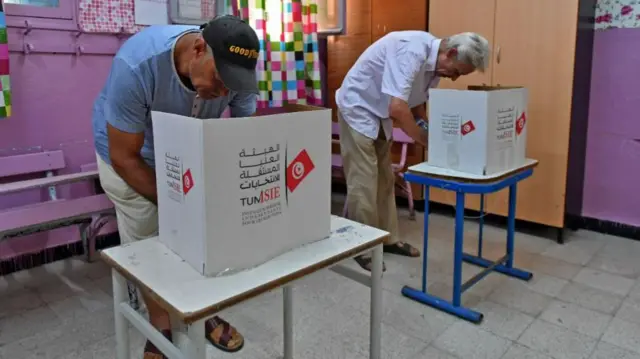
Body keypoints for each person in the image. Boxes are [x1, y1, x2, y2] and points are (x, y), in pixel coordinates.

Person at [92, 15, 260, 358]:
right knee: (148, 237)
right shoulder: (137, 63)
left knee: (198, 234)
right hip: (132, 155)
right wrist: (178, 203)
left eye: (234, 84)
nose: (225, 92)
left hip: (187, 150)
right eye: (220, 79)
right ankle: (160, 325)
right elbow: (125, 157)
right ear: (198, 49)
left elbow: (243, 136)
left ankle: (201, 310)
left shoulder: (237, 72)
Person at [336, 31, 490, 271]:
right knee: (364, 181)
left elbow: (416, 103)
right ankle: (362, 247)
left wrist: (428, 127)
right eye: (457, 71)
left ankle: (387, 240)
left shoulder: (436, 65)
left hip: (379, 112)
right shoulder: (411, 50)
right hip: (358, 107)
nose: (455, 78)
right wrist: (427, 142)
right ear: (450, 53)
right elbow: (398, 107)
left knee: (386, 180)